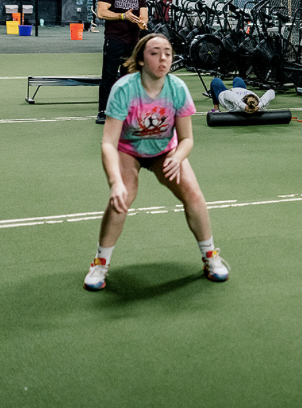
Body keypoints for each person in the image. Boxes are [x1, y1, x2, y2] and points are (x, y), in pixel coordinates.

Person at [83, 33, 229, 291]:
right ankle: (100, 263)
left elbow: (186, 140)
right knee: (121, 199)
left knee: (194, 194)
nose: (163, 58)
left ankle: (210, 256)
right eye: (154, 52)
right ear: (140, 59)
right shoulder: (124, 89)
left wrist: (178, 157)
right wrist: (115, 181)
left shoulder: (178, 89)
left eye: (168, 53)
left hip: (164, 152)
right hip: (129, 150)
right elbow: (108, 142)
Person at [95, 0, 148, 124]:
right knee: (109, 77)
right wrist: (123, 16)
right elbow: (101, 12)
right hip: (114, 41)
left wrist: (142, 23)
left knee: (130, 79)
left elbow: (144, 15)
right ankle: (103, 111)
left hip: (133, 43)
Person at [209, 76, 275, 113]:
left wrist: (243, 106)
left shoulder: (236, 107)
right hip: (239, 90)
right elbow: (271, 92)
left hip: (225, 96)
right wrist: (260, 105)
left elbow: (227, 93)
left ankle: (216, 108)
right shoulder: (259, 105)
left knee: (216, 81)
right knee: (238, 79)